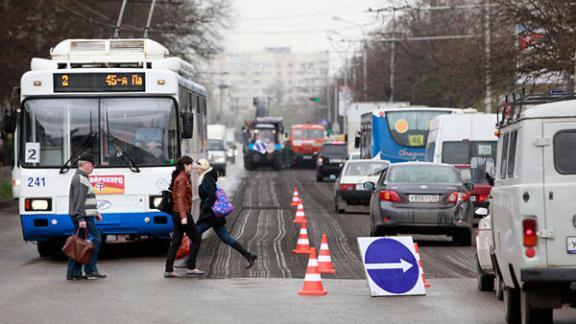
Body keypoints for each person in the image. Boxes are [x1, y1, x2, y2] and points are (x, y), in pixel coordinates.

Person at [180, 159, 257, 269]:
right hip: (214, 215)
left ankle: (189, 261)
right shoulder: (207, 178)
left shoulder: (207, 180)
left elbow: (212, 196)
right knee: (226, 238)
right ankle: (249, 255)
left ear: (202, 169)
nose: (195, 170)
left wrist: (206, 208)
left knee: (194, 235)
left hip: (210, 215)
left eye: (197, 168)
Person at [164, 156, 205, 278]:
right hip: (182, 214)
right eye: (190, 165)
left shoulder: (182, 177)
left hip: (178, 213)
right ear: (185, 165)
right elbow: (179, 199)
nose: (192, 167)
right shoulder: (182, 179)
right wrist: (184, 216)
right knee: (196, 238)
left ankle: (168, 269)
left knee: (176, 242)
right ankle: (191, 267)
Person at [67, 152, 106, 280]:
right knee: (95, 240)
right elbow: (79, 201)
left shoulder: (81, 177)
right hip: (83, 217)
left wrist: (95, 212)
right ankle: (89, 269)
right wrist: (81, 218)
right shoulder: (80, 179)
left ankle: (74, 272)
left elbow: (85, 200)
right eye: (92, 164)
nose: (93, 167)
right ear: (86, 164)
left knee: (80, 244)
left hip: (86, 216)